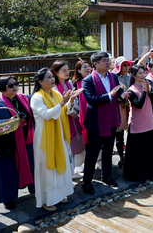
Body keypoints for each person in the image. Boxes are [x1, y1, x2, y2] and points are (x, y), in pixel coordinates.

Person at [31, 68, 82, 211]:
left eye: (52, 77)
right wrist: (62, 103)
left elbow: (66, 110)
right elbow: (47, 115)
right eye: (48, 78)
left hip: (60, 134)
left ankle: (59, 195)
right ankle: (47, 200)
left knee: (61, 165)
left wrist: (70, 100)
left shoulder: (56, 93)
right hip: (45, 139)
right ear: (40, 81)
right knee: (48, 169)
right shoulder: (36, 97)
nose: (52, 80)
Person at [81, 51, 129, 194]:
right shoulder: (88, 80)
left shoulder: (113, 76)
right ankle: (87, 181)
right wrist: (110, 95)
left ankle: (107, 175)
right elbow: (91, 99)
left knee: (109, 149)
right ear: (95, 64)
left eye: (108, 60)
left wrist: (122, 95)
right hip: (96, 121)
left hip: (111, 118)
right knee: (93, 152)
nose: (108, 63)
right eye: (104, 61)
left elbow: (118, 92)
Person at [0, 76, 35, 210]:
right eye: (11, 85)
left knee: (32, 165)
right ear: (1, 89)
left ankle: (34, 189)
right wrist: (6, 121)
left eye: (16, 83)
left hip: (27, 138)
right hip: (8, 142)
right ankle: (8, 198)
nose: (15, 86)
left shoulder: (25, 97)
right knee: (8, 171)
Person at [124, 64, 153, 182]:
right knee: (137, 152)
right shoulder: (131, 90)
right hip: (137, 125)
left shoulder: (147, 85)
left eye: (143, 73)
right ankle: (136, 175)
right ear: (133, 75)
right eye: (139, 73)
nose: (142, 75)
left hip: (149, 122)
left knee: (149, 150)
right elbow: (138, 105)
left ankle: (150, 172)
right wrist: (144, 91)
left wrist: (150, 91)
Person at [52, 60, 85, 179]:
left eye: (68, 70)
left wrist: (75, 110)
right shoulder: (54, 86)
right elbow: (57, 103)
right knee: (66, 145)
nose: (67, 72)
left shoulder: (69, 83)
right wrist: (69, 110)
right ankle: (68, 173)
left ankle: (73, 169)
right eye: (64, 70)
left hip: (72, 116)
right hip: (62, 118)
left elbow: (75, 98)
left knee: (74, 144)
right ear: (56, 72)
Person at [112, 57, 133, 168]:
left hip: (131, 107)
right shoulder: (114, 77)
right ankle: (121, 156)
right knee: (119, 133)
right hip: (120, 107)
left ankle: (130, 154)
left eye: (127, 65)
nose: (126, 67)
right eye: (124, 65)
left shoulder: (131, 77)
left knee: (131, 131)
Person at [71, 60, 91, 173]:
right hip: (80, 116)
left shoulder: (93, 80)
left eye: (89, 66)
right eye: (85, 67)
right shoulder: (75, 84)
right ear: (78, 70)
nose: (88, 68)